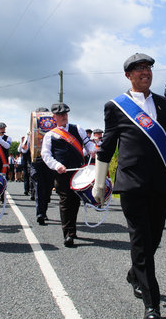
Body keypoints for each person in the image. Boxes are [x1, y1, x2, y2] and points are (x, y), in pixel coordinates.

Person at [93, 53, 166, 319]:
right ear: (128, 75)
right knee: (140, 239)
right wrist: (99, 183)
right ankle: (152, 305)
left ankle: (133, 273)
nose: (145, 72)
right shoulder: (116, 106)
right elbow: (106, 148)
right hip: (132, 184)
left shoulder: (165, 105)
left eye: (148, 68)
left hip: (161, 182)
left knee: (154, 239)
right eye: (138, 69)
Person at [41, 102, 96, 247]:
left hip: (79, 172)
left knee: (75, 201)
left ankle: (72, 229)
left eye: (65, 114)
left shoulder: (77, 128)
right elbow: (46, 155)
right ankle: (68, 234)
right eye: (60, 114)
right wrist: (57, 165)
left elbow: (88, 143)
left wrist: (92, 149)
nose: (64, 116)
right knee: (66, 202)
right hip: (62, 173)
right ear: (54, 117)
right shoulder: (50, 135)